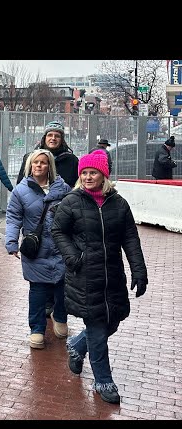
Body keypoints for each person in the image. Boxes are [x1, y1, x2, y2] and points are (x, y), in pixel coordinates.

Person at [51, 150, 148, 404]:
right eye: (83, 172)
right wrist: (73, 257)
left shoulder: (119, 204)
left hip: (112, 276)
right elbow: (58, 230)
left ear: (104, 175)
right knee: (97, 329)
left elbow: (130, 238)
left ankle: (77, 345)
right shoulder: (72, 201)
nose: (87, 177)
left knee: (113, 321)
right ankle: (103, 380)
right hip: (85, 276)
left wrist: (139, 270)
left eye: (92, 172)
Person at [5, 149, 71, 349]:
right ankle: (37, 330)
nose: (39, 166)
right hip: (36, 249)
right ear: (30, 166)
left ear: (49, 166)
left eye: (43, 162)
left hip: (61, 247)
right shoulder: (21, 191)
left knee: (62, 287)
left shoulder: (63, 188)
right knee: (38, 291)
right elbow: (13, 217)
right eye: (35, 163)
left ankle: (60, 316)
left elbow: (73, 215)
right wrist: (11, 241)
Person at [16, 121, 79, 318]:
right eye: (50, 135)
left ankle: (58, 309)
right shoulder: (31, 158)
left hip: (62, 219)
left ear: (62, 139)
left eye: (57, 135)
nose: (53, 138)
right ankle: (44, 305)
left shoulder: (71, 160)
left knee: (60, 265)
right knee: (39, 264)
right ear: (44, 138)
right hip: (37, 222)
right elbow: (21, 186)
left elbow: (76, 188)